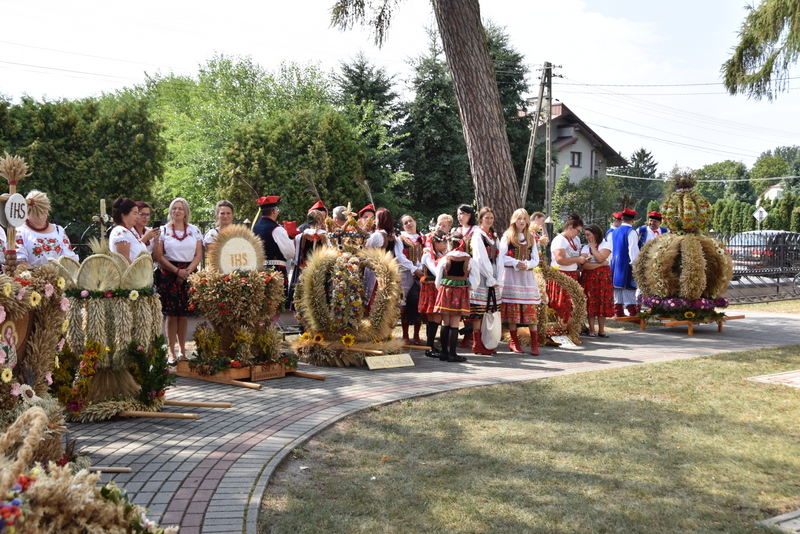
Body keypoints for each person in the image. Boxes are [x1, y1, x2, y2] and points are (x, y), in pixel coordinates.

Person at [153, 197, 203, 363]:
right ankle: (171, 352)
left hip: (189, 271)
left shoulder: (194, 230)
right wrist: (176, 271)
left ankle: (182, 351)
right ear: (170, 211)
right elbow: (158, 256)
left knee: (183, 315)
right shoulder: (163, 231)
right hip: (169, 273)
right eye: (174, 208)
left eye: (180, 208)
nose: (177, 211)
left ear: (186, 212)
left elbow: (198, 254)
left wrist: (188, 271)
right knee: (171, 315)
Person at [499, 209, 542, 355]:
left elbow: (535, 259)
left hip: (526, 279)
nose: (522, 221)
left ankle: (534, 344)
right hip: (512, 277)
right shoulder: (508, 236)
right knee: (513, 311)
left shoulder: (531, 237)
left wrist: (528, 264)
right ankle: (514, 342)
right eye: (519, 219)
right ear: (514, 221)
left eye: (524, 219)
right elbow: (501, 257)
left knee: (530, 312)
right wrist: (516, 262)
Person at [433, 233, 479, 363]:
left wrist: (441, 289)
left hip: (446, 291)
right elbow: (475, 280)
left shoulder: (445, 258)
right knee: (454, 323)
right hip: (460, 293)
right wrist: (468, 288)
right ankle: (452, 354)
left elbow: (438, 278)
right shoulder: (469, 259)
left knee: (445, 322)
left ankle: (444, 353)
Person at [364, 209, 416, 310]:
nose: (375, 221)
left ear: (381, 220)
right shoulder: (393, 237)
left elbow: (367, 251)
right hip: (388, 273)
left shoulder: (377, 236)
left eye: (377, 218)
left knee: (373, 302)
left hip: (375, 273)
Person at [15, 190, 79, 269]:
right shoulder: (20, 231)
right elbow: (19, 262)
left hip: (58, 278)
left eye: (43, 211)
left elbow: (70, 259)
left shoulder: (59, 231)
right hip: (30, 278)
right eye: (36, 212)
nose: (41, 215)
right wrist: (39, 277)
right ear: (27, 210)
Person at [467, 207, 501, 355]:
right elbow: (480, 258)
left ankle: (485, 340)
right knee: (478, 310)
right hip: (482, 275)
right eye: (486, 217)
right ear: (480, 219)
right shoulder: (478, 235)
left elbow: (499, 257)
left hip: (492, 274)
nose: (489, 220)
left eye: (491, 218)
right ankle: (477, 342)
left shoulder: (493, 236)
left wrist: (497, 277)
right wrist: (489, 276)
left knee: (488, 309)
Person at [549, 213, 587, 326]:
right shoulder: (559, 240)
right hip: (561, 275)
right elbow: (560, 259)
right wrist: (578, 259)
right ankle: (561, 328)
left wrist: (582, 260)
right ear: (570, 228)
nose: (579, 233)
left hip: (573, 274)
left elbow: (577, 256)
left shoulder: (576, 240)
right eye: (578, 230)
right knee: (562, 304)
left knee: (573, 304)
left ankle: (572, 328)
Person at [252, 196, 295, 290]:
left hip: (259, 270)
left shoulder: (254, 228)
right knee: (279, 301)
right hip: (276, 271)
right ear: (274, 211)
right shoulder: (277, 229)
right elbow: (290, 253)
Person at [579, 224, 614, 338]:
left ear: (595, 234)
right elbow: (583, 265)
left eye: (589, 235)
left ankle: (602, 330)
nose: (587, 237)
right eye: (586, 235)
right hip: (589, 278)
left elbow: (600, 257)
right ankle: (592, 329)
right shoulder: (585, 248)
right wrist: (600, 265)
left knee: (602, 301)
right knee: (590, 302)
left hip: (603, 278)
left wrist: (593, 248)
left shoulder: (606, 244)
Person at [419, 230, 448, 358]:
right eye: (443, 242)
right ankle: (429, 347)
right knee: (434, 316)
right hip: (431, 287)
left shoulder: (440, 254)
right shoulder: (428, 255)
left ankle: (430, 346)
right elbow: (436, 271)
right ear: (435, 242)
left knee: (435, 317)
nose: (446, 244)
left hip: (437, 287)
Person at [398, 214, 425, 345]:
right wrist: (414, 268)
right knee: (405, 304)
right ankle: (405, 334)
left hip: (421, 274)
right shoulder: (400, 239)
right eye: (405, 223)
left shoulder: (423, 238)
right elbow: (400, 257)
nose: (409, 224)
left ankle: (417, 335)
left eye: (410, 221)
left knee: (418, 303)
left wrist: (421, 269)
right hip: (405, 274)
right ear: (403, 226)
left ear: (415, 222)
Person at [454, 204, 477, 347]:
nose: (459, 216)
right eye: (458, 214)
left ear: (469, 215)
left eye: (462, 213)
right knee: (462, 302)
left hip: (473, 267)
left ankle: (474, 333)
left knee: (474, 303)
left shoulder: (476, 230)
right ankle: (466, 334)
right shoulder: (456, 230)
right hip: (459, 270)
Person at [610, 208, 640, 317]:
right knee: (629, 287)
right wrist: (636, 265)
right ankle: (633, 312)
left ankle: (618, 311)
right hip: (626, 263)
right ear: (633, 220)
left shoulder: (615, 231)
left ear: (622, 218)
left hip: (615, 263)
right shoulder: (631, 231)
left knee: (617, 287)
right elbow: (633, 250)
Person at [109, 197, 148, 264]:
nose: (137, 217)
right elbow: (124, 260)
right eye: (135, 213)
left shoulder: (129, 231)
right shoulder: (121, 231)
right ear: (124, 214)